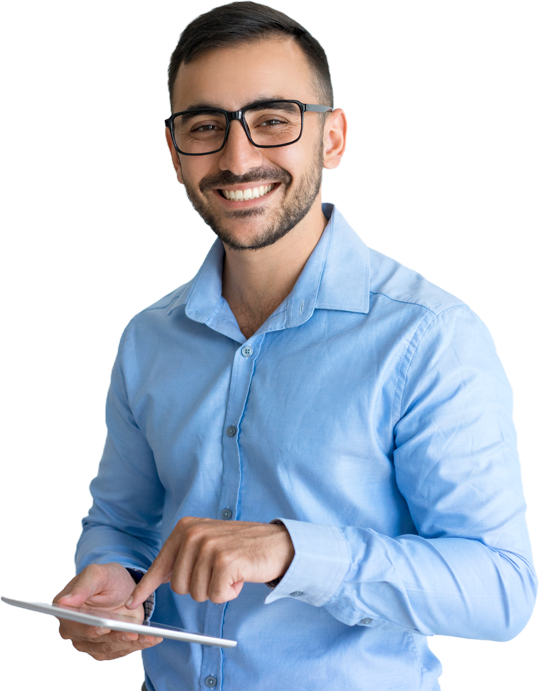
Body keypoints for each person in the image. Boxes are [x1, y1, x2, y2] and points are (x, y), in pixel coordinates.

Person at [53, 3, 537, 690]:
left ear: (331, 138)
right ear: (174, 150)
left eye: (273, 120)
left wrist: (291, 550)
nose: (237, 156)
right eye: (205, 127)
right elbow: (123, 521)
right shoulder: (149, 338)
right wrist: (109, 576)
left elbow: (499, 589)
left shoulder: (425, 335)